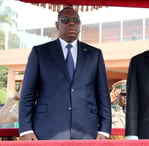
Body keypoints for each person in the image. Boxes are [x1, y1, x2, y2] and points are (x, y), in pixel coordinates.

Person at [19, 6, 111, 140]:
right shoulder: (40, 53)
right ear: (57, 25)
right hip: (47, 130)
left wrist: (104, 130)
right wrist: (25, 129)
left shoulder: (94, 54)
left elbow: (103, 96)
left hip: (87, 131)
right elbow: (27, 94)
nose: (71, 23)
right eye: (66, 20)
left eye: (76, 20)